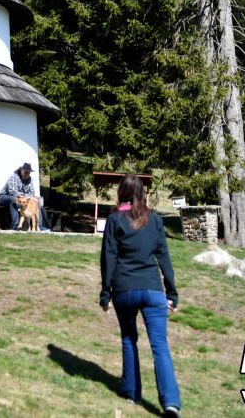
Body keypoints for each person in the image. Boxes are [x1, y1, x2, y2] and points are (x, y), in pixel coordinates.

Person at [98, 174, 182, 417]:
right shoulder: (154, 220)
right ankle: (171, 402)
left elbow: (108, 259)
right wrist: (172, 292)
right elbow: (163, 257)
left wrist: (105, 294)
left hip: (124, 290)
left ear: (121, 193)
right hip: (153, 290)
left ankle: (131, 392)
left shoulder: (114, 219)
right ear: (143, 194)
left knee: (128, 338)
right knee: (160, 346)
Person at [0, 162, 47, 230]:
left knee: (36, 200)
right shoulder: (14, 177)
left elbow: (32, 192)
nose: (27, 174)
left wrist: (30, 198)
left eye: (28, 173)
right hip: (4, 196)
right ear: (21, 170)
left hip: (21, 198)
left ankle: (40, 226)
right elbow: (13, 192)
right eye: (25, 172)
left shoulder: (30, 179)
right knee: (14, 200)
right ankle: (16, 225)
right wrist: (27, 197)